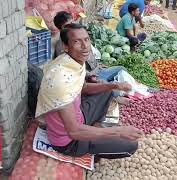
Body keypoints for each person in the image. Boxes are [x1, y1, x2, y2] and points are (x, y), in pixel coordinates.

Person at [35, 23, 143, 159]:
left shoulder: (72, 62)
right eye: (77, 42)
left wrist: (115, 86)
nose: (85, 46)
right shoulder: (60, 80)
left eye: (86, 39)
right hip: (70, 141)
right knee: (131, 145)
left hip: (79, 117)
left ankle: (95, 130)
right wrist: (119, 132)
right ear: (66, 46)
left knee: (107, 89)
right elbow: (74, 131)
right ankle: (93, 148)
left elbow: (84, 88)